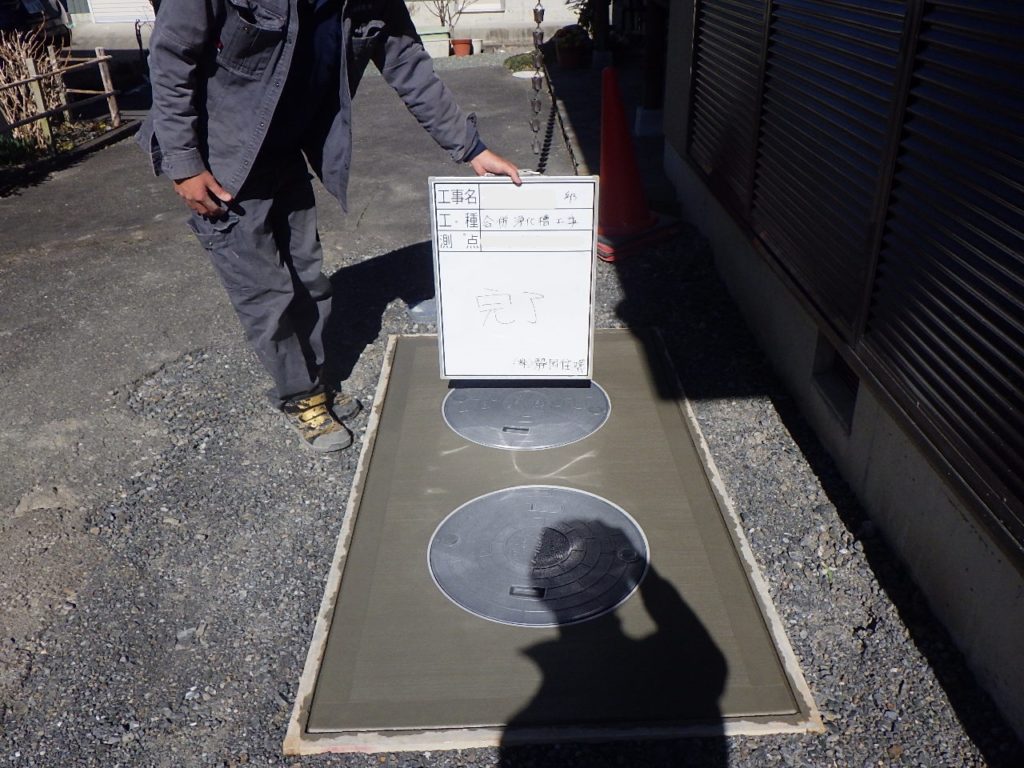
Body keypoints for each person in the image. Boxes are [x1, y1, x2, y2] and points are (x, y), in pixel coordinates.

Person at [138, 0, 521, 453]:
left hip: (285, 151)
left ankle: (312, 380)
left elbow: (407, 63)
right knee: (265, 292)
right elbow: (171, 54)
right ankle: (300, 396)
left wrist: (472, 149)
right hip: (221, 162)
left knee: (309, 277)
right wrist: (184, 163)